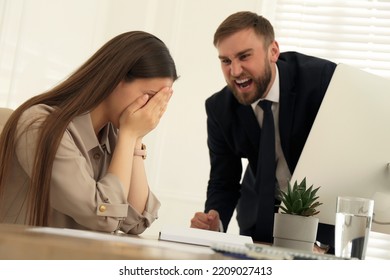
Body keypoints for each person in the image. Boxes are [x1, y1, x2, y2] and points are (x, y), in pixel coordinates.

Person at [0, 31, 178, 235]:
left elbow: (135, 221)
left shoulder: (113, 135)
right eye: (151, 96)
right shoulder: (39, 124)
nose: (151, 109)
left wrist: (135, 138)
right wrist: (129, 135)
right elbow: (103, 217)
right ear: (115, 78)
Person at [190, 11, 336, 249]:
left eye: (244, 56)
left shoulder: (321, 80)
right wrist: (214, 221)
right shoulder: (219, 108)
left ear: (273, 51)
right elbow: (223, 180)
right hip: (259, 220)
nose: (235, 71)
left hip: (322, 221)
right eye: (225, 61)